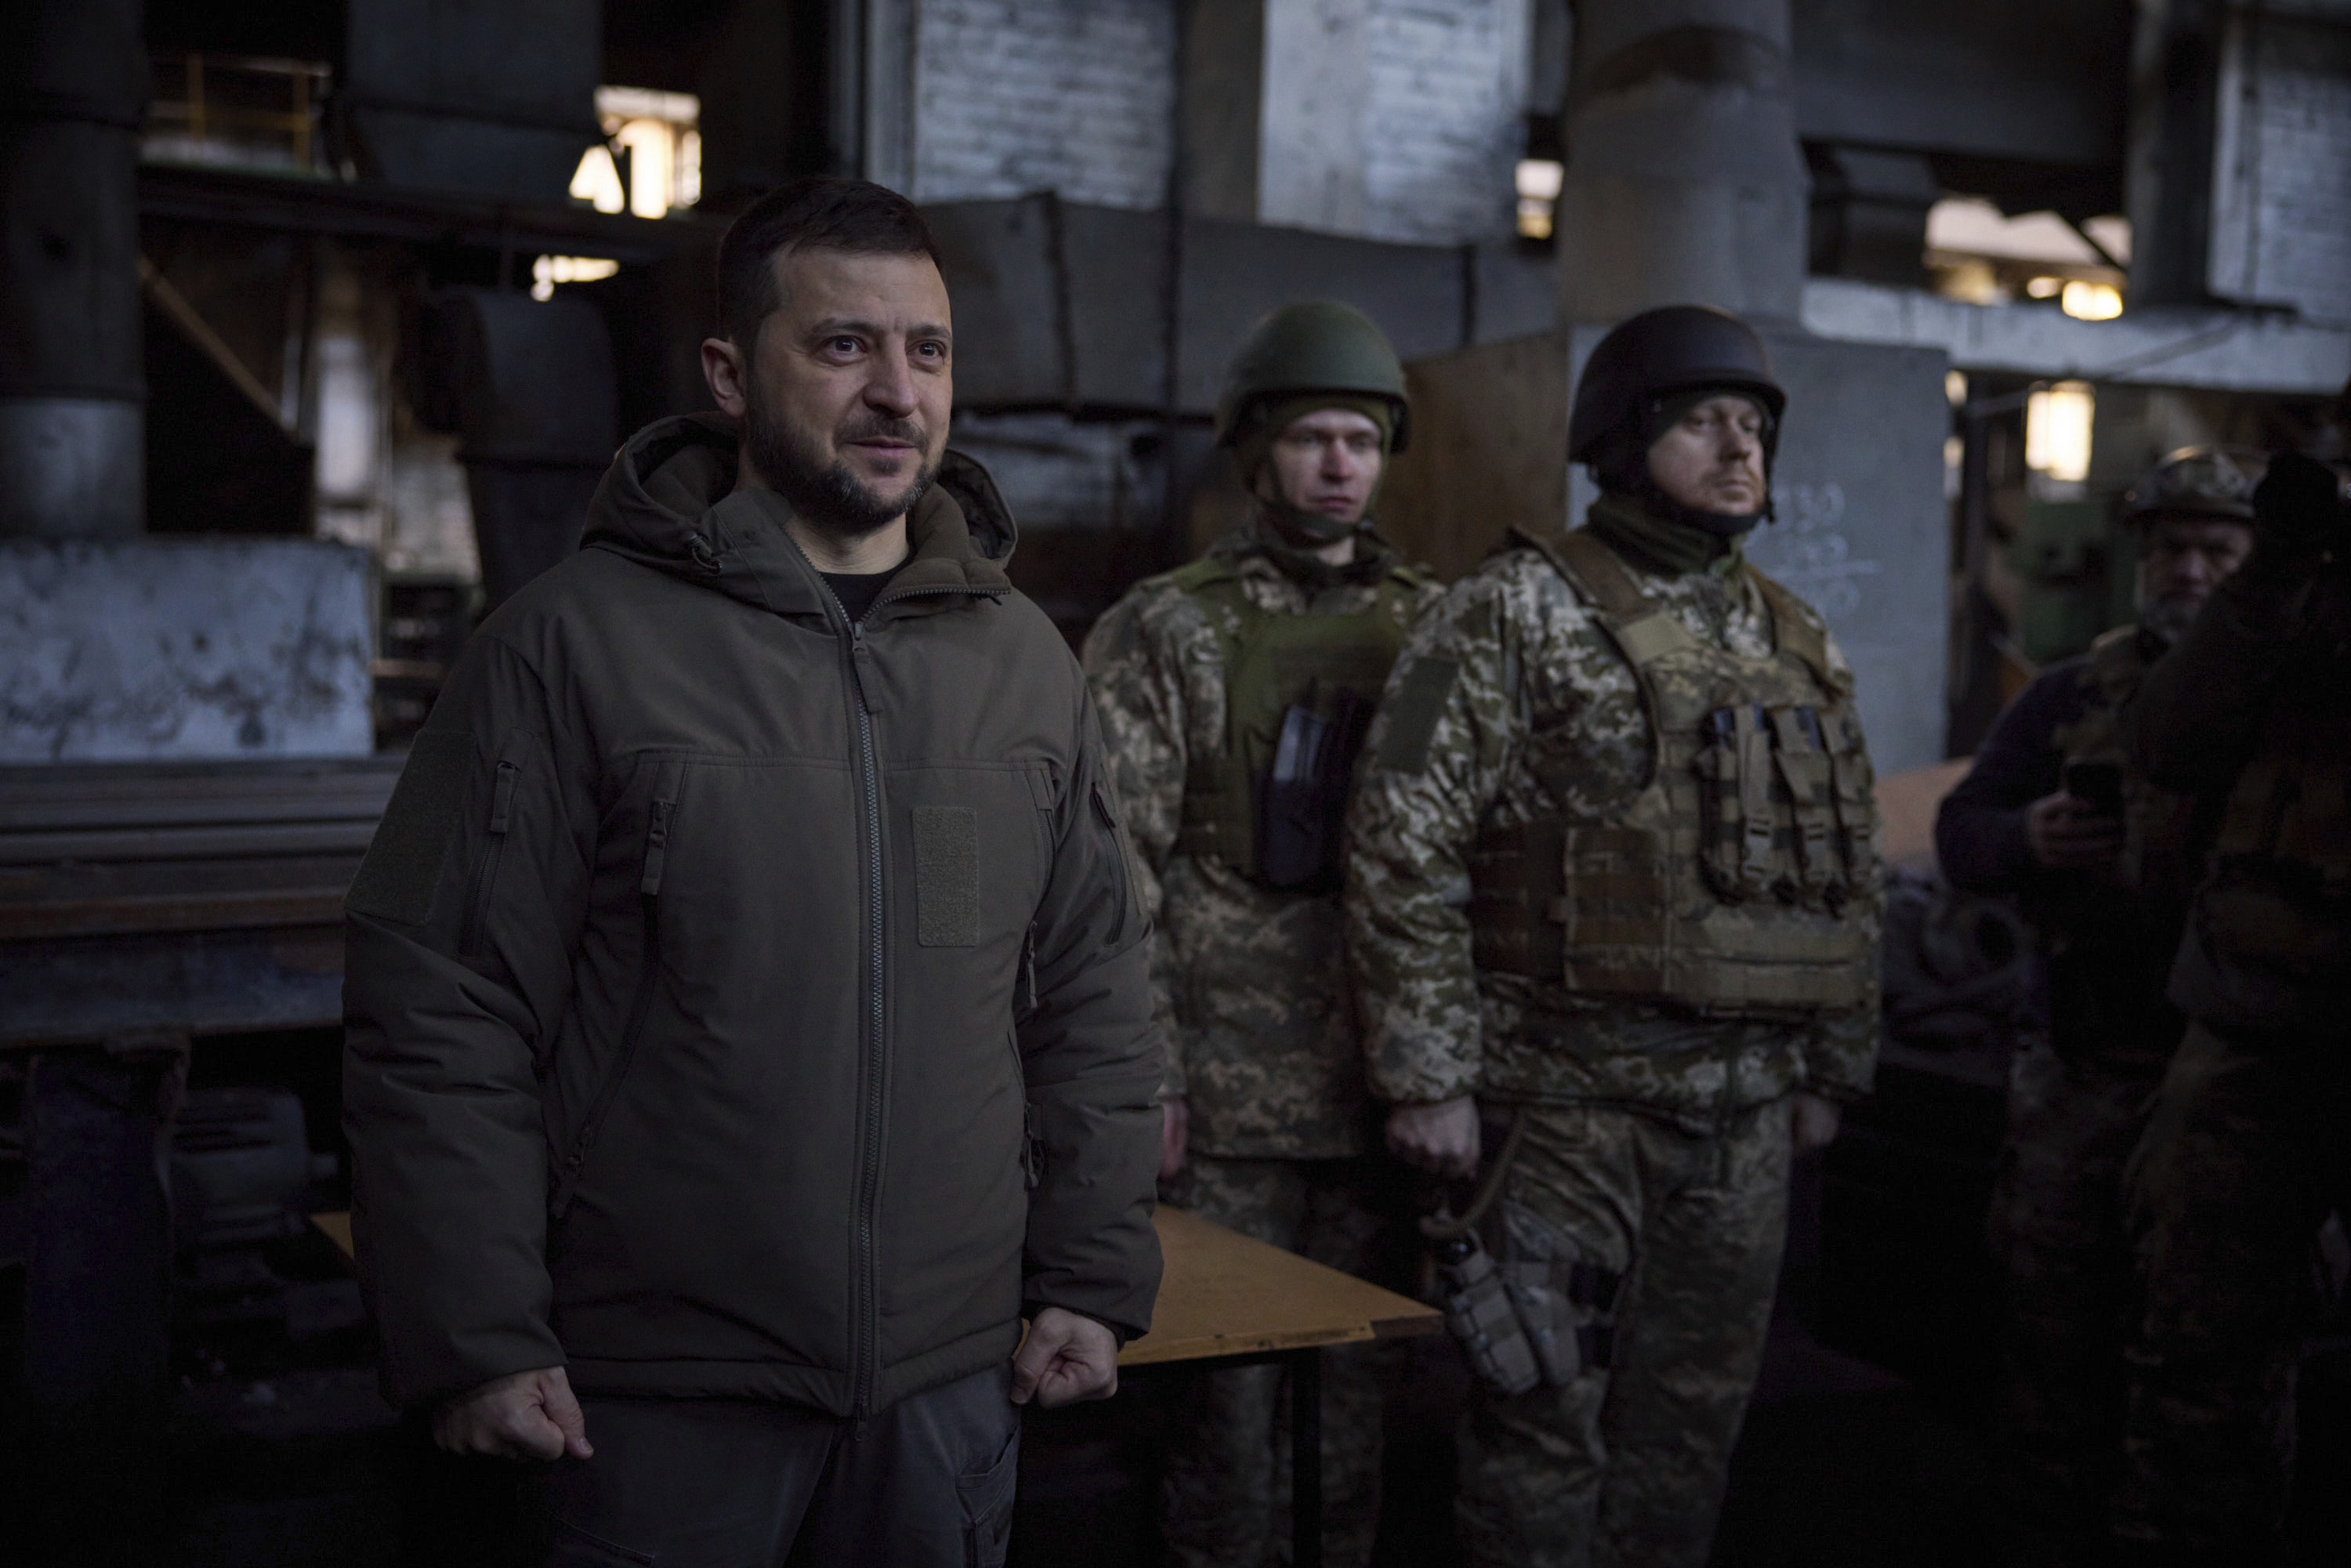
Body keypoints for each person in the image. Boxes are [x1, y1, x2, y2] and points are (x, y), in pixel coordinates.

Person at [341, 176, 1163, 1568]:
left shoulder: (1022, 659)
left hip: (951, 1383)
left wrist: (1091, 1271)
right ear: (730, 371)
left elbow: (1089, 985)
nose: (898, 392)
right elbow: (444, 1001)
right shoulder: (574, 645)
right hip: (655, 1394)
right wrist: (475, 1336)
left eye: (928, 350)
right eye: (844, 346)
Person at [1346, 304, 1882, 1568]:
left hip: (1744, 1119)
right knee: (1538, 1430)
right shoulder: (1515, 610)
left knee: (1686, 1437)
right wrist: (1427, 1074)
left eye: (1755, 426)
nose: (1741, 448)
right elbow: (1400, 835)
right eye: (1705, 421)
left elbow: (1848, 862)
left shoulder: (1797, 635)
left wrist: (1832, 1066)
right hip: (1564, 1112)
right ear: (1621, 436)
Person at [1082, 300, 1440, 1568]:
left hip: (1376, 1084)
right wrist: (1149, 1071)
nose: (1340, 465)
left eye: (1361, 439)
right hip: (1223, 1097)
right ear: (1253, 454)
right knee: (1216, 1409)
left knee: (1355, 1396)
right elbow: (1109, 867)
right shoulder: (1165, 626)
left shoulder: (1435, 625)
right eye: (1310, 439)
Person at [1936, 447, 2260, 1565]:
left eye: (2222, 549)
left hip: (2237, 1088)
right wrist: (2027, 838)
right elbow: (1960, 831)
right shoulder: (2077, 693)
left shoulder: (2304, 711)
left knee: (2218, 1372)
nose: (2192, 569)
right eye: (2173, 546)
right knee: (2052, 1345)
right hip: (2084, 1071)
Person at [2109, 441, 2351, 1564]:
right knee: (2196, 1366)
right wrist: (2274, 569)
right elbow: (2172, 738)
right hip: (2257, 1026)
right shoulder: (2296, 594)